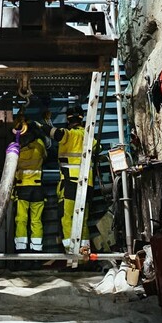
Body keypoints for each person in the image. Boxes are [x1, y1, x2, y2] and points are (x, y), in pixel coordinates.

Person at [50, 106, 95, 256]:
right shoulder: (89, 137)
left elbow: (55, 134)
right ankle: (85, 253)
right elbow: (98, 147)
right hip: (86, 184)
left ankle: (71, 253)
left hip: (69, 182)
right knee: (83, 218)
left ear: (68, 119)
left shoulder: (68, 135)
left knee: (67, 217)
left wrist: (38, 126)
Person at [12, 112, 48, 253]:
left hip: (22, 189)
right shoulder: (39, 144)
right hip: (37, 188)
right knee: (36, 221)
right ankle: (36, 251)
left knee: (21, 220)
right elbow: (45, 155)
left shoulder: (16, 146)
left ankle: (21, 250)